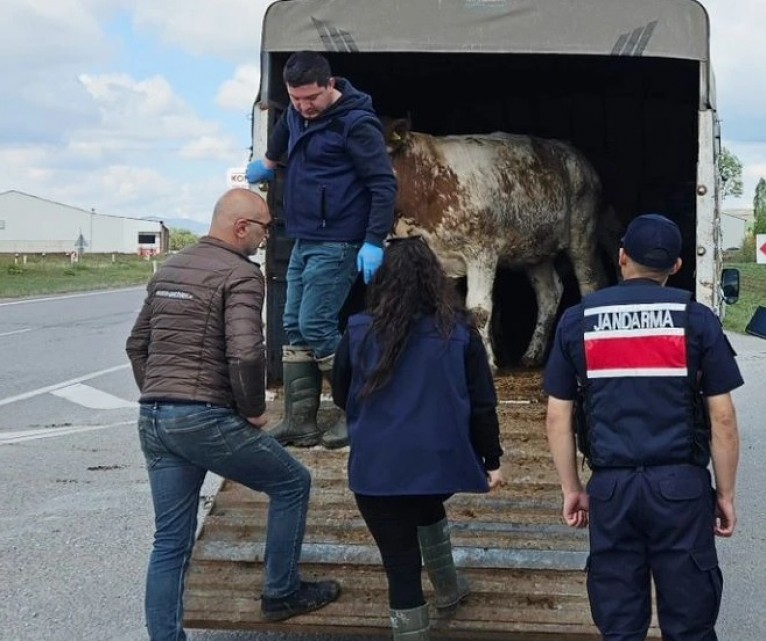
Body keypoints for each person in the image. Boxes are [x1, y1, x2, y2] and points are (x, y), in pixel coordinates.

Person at [125, 189, 340, 641]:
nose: (267, 238)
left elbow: (137, 345)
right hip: (204, 418)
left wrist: (163, 396)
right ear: (241, 227)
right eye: (264, 228)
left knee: (170, 542)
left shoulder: (173, 267)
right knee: (291, 482)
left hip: (155, 419)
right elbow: (246, 354)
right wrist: (254, 411)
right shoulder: (241, 274)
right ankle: (280, 592)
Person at [543, 213, 742, 641]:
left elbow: (558, 415)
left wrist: (572, 489)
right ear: (675, 267)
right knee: (690, 623)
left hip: (611, 492)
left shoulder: (579, 320)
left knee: (620, 626)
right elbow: (722, 417)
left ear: (621, 258)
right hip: (682, 490)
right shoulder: (696, 319)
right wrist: (723, 494)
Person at [330, 236, 505, 641]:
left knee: (401, 565)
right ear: (435, 279)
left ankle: (431, 606)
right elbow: (483, 406)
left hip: (376, 471)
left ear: (383, 281)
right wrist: (491, 461)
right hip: (438, 465)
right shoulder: (460, 333)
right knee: (425, 500)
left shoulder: (357, 332)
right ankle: (448, 587)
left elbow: (341, 394)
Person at [245, 50, 397, 450]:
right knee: (293, 324)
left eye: (311, 98)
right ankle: (300, 422)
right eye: (296, 99)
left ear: (330, 85)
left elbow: (383, 186)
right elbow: (274, 154)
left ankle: (360, 410)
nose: (304, 107)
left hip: (341, 239)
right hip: (303, 237)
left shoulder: (357, 124)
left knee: (316, 324)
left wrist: (372, 241)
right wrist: (264, 165)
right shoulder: (295, 115)